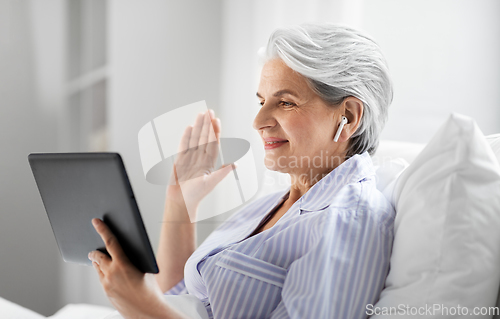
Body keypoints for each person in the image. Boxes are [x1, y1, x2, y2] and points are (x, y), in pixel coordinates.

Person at [88, 23, 395, 319]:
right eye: (262, 101)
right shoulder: (275, 204)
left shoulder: (348, 217)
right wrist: (180, 201)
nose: (259, 120)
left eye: (285, 102)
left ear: (349, 117)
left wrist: (143, 308)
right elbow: (183, 300)